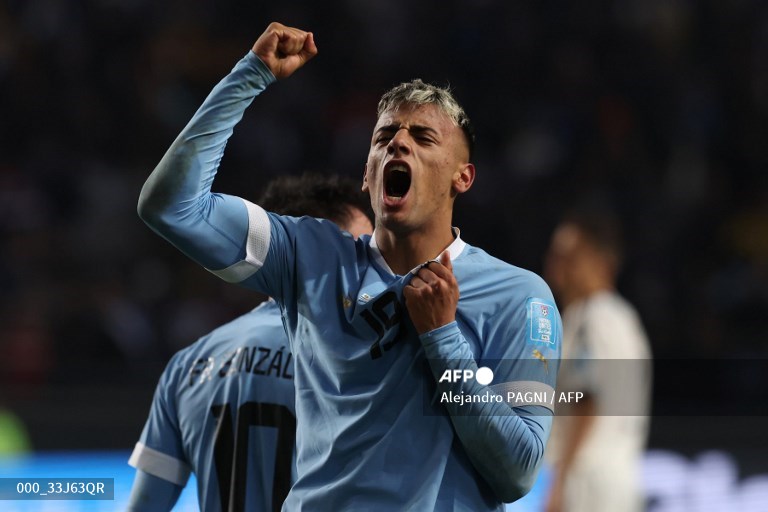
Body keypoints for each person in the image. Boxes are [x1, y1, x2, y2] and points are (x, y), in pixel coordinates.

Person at [137, 22, 561, 511]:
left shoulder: (518, 295)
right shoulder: (309, 256)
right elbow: (171, 207)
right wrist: (249, 76)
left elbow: (519, 470)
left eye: (423, 138)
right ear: (366, 172)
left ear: (462, 177)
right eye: (384, 137)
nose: (398, 145)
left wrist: (443, 343)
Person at [127, 174, 373, 512]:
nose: (376, 264)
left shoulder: (187, 365)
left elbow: (145, 506)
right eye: (363, 248)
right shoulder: (358, 357)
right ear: (320, 250)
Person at [542, 210, 652, 512]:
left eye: (569, 256)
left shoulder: (596, 316)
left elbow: (586, 398)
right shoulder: (619, 317)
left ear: (600, 261)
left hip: (589, 482)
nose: (556, 265)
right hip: (614, 476)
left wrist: (559, 482)